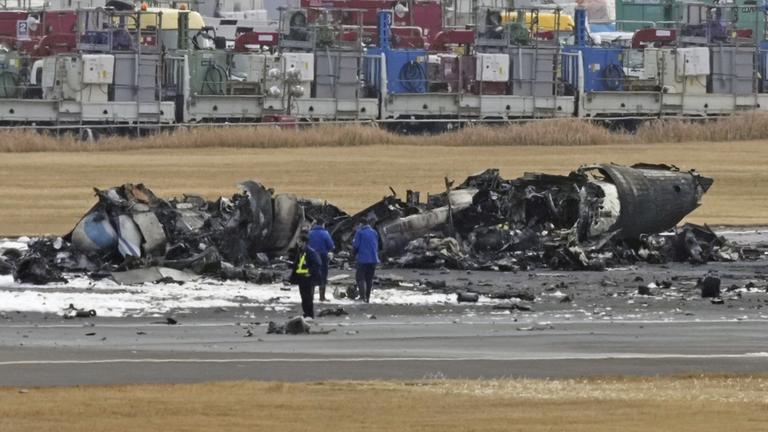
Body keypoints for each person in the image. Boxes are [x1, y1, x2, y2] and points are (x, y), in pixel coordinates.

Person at [289, 232, 322, 319]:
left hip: (308, 278)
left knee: (308, 297)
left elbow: (317, 264)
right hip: (302, 277)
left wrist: (309, 272)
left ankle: (310, 314)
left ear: (304, 242)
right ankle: (306, 313)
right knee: (303, 296)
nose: (297, 243)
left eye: (299, 241)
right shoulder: (301, 251)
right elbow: (298, 264)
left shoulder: (310, 252)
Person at [352, 219, 379, 303]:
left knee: (360, 278)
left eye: (359, 225)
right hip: (373, 259)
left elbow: (356, 246)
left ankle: (362, 297)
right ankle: (367, 297)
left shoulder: (360, 232)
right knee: (369, 279)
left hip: (363, 259)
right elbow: (376, 244)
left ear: (361, 224)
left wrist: (352, 255)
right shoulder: (374, 232)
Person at [308, 223, 335, 301]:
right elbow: (331, 245)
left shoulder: (310, 233)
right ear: (323, 224)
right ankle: (322, 297)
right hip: (322, 257)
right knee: (323, 276)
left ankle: (311, 297)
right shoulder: (325, 233)